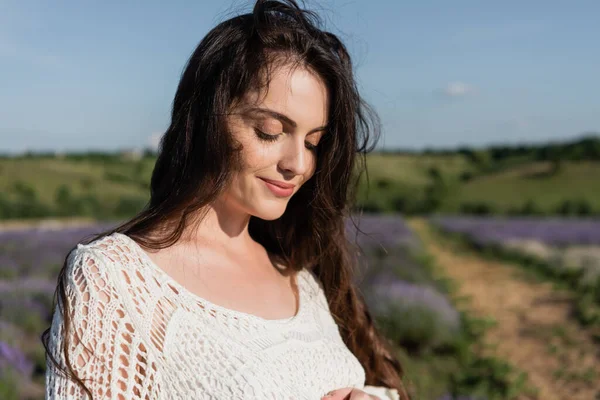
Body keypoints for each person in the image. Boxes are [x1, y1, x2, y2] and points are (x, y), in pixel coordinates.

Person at [42, 1, 410, 399]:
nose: (299, 163)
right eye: (270, 131)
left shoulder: (298, 274)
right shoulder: (116, 281)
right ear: (206, 121)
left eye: (313, 142)